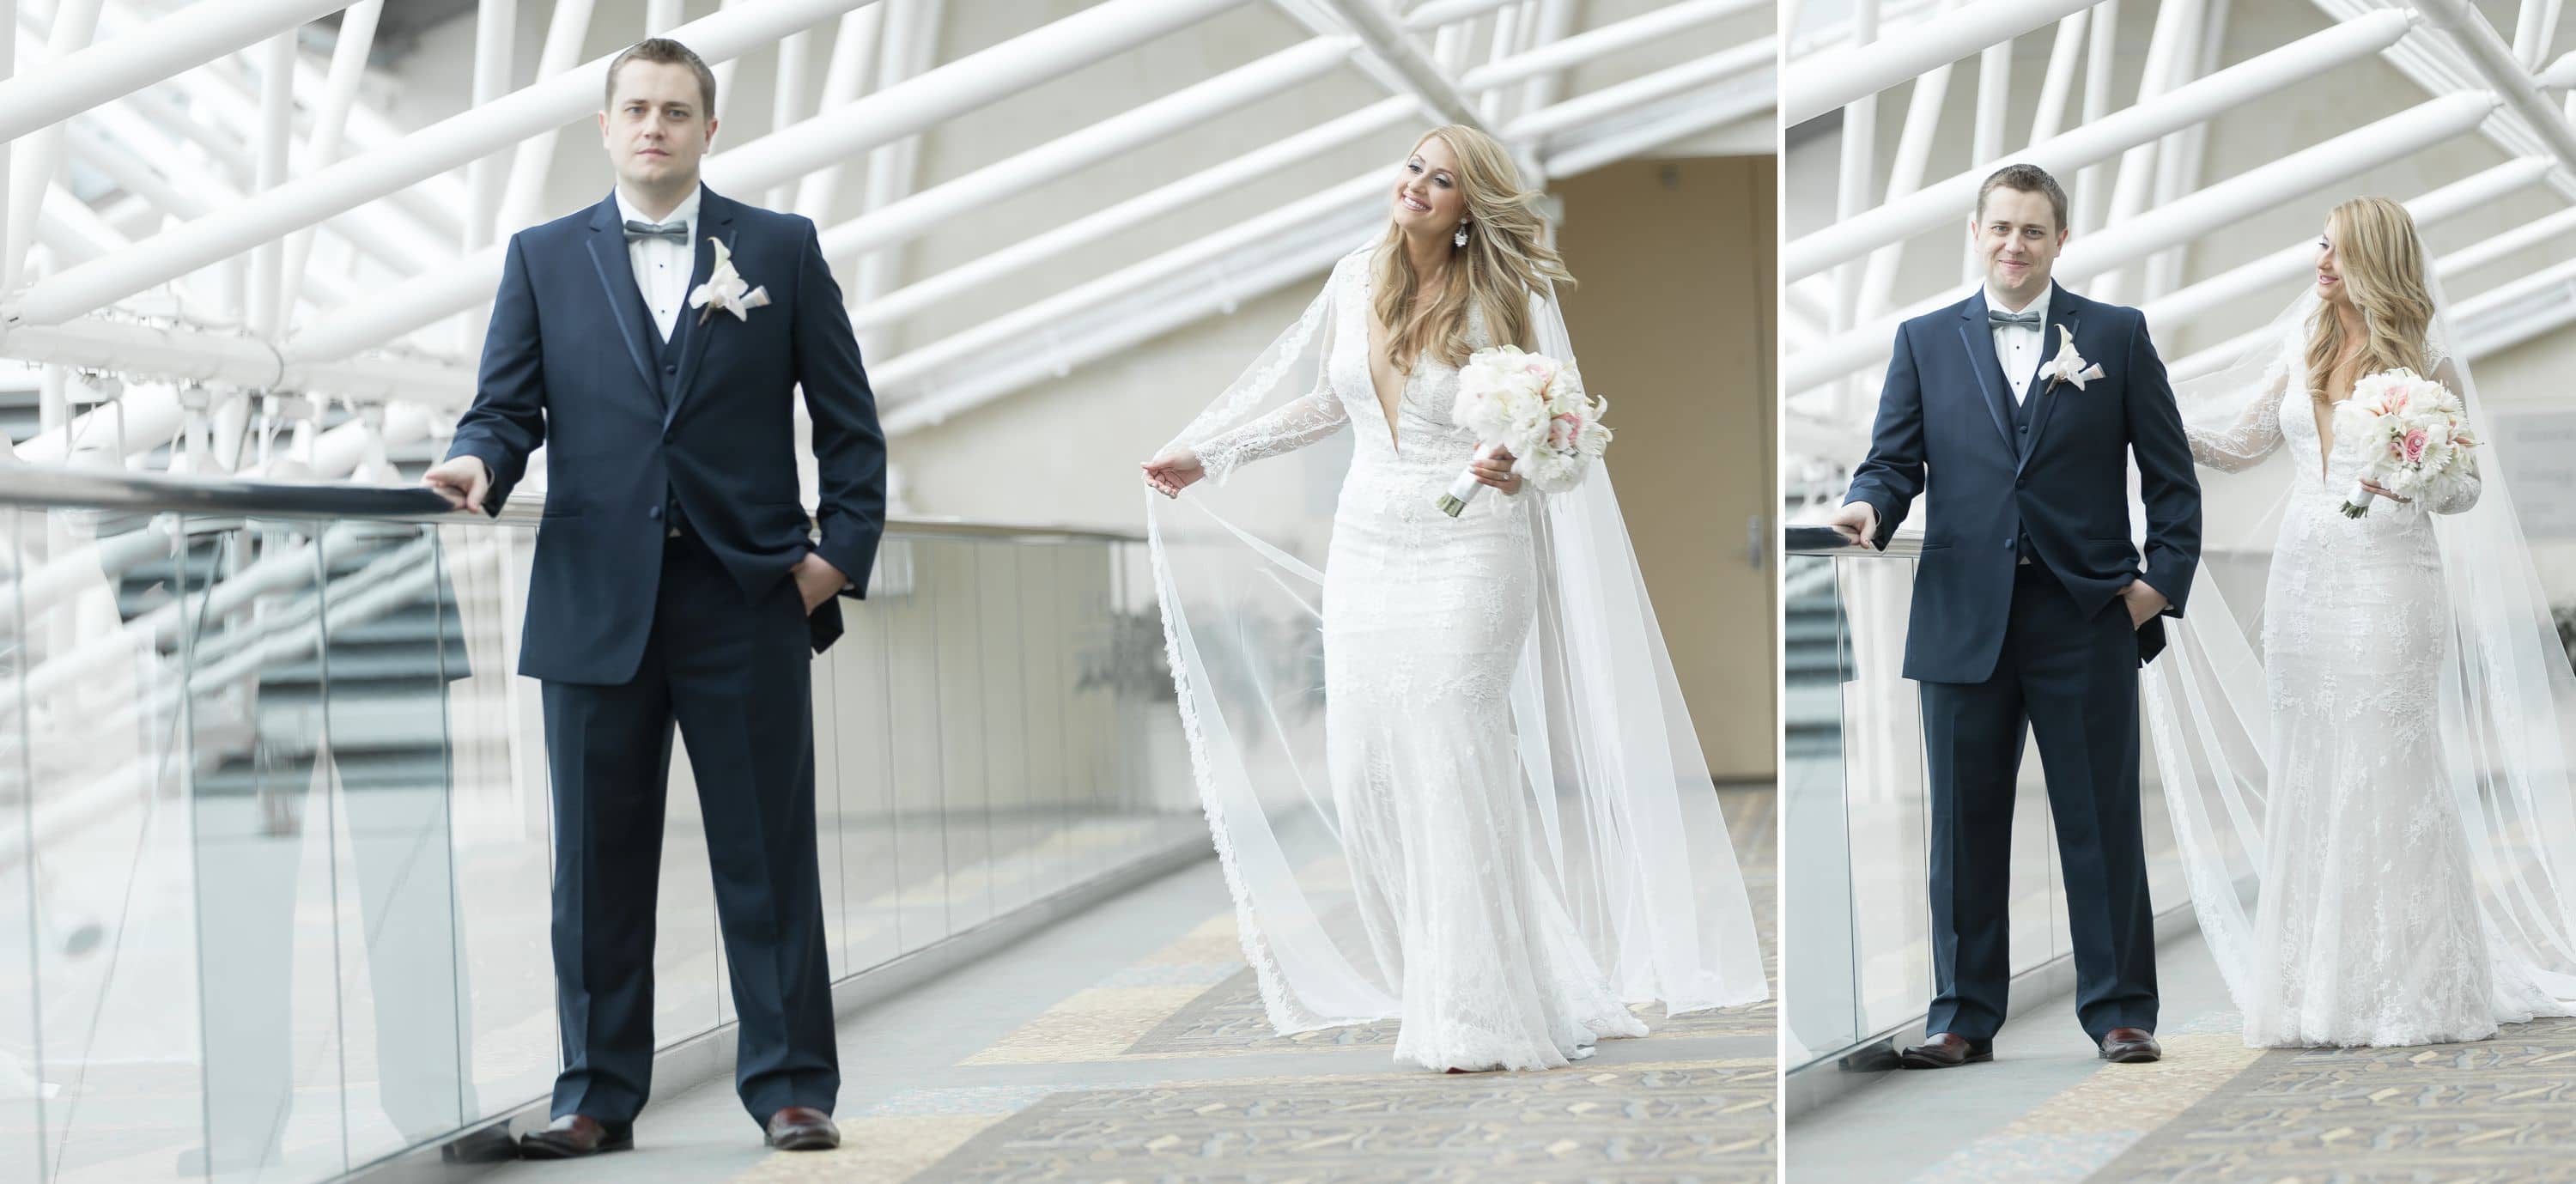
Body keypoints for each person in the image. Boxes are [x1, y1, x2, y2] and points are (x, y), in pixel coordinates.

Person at [1139, 124, 1765, 1072]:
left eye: (1443, 180)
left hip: (1471, 546)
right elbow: (1327, 403)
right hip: (1368, 543)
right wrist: (1212, 451)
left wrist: (1513, 464)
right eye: (1414, 170)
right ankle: (1445, 978)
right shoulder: (1359, 276)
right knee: (1368, 770)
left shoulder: (1508, 294)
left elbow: (1560, 433)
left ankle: (1480, 1010)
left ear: (1472, 205)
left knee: (1454, 761)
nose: (1420, 188)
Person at [422, 37, 884, 1157]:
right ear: (605, 124)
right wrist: (478, 465)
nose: (655, 127)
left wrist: (834, 556)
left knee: (766, 855)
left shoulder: (780, 246)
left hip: (745, 601)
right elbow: (505, 407)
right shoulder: (541, 257)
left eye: (677, 110)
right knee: (594, 869)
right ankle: (594, 1096)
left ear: (708, 128)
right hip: (594, 606)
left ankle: (791, 1086)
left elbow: (849, 423)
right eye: (636, 108)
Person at [2158, 197, 2576, 1047]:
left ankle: (2409, 982)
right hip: (2304, 581)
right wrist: (2145, 417)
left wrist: (2413, 473)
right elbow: (2241, 444)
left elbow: (2465, 491)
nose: (2320, 260)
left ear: (2374, 262)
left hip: (2391, 581)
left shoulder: (2430, 368)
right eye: (2319, 242)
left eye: (2339, 250)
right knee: (2312, 767)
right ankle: (2319, 987)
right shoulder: (2301, 345)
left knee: (2388, 767)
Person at [1825, 162, 2202, 1068]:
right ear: (1976, 231)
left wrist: (2159, 583)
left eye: (2033, 230)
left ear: (2060, 239)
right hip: (1962, 618)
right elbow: (1893, 461)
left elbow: (2169, 474)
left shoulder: (2116, 332)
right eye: (2000, 227)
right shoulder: (1923, 340)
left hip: (2084, 615)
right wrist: (1868, 510)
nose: (2014, 244)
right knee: (1963, 826)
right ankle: (1962, 1017)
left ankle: (2121, 1011)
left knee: (2101, 821)